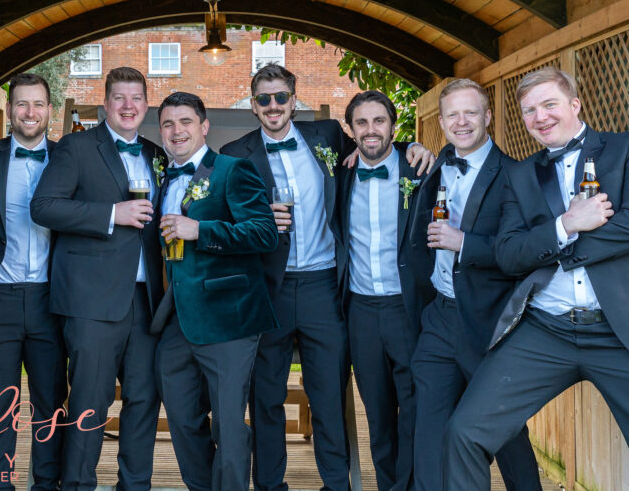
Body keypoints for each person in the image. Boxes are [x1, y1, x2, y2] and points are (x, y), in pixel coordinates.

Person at [444, 68, 629, 490]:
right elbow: (509, 255)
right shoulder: (520, 174)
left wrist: (554, 248)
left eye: (549, 104)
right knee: (465, 433)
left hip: (624, 331)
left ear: (574, 105)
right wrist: (566, 225)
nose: (540, 117)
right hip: (544, 331)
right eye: (529, 110)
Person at [221, 64, 432, 491]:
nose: (273, 106)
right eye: (264, 98)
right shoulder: (233, 153)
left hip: (323, 286)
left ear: (294, 100)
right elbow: (220, 218)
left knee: (329, 395)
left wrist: (417, 148)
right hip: (267, 288)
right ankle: (269, 485)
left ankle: (336, 484)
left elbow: (378, 145)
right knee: (266, 395)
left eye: (281, 97)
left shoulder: (328, 138)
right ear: (253, 104)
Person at [30, 66, 166, 491]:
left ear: (146, 105)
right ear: (105, 104)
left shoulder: (157, 153)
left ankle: (134, 485)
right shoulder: (76, 147)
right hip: (91, 303)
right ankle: (76, 485)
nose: (128, 106)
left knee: (144, 401)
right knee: (90, 404)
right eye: (120, 98)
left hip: (147, 303)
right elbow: (44, 207)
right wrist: (112, 214)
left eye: (136, 98)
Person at [405, 78, 540, 491]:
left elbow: (524, 251)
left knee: (505, 430)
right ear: (441, 122)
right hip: (440, 316)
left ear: (488, 116)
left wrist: (464, 243)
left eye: (470, 112)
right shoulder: (433, 166)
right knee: (429, 429)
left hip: (490, 321)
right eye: (452, 115)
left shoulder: (517, 175)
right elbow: (376, 148)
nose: (461, 122)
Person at [150, 91, 279, 491]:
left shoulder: (231, 170)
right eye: (168, 123)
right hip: (176, 319)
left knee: (228, 422)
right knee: (183, 418)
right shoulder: (157, 176)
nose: (177, 130)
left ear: (204, 127)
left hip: (229, 316)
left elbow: (264, 232)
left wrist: (200, 230)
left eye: (186, 121)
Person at [336, 90, 434, 491]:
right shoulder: (339, 174)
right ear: (351, 130)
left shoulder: (422, 172)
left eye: (379, 121)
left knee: (413, 406)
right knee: (376, 411)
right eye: (362, 122)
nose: (371, 130)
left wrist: (418, 148)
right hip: (360, 309)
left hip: (407, 307)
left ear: (394, 126)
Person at [0, 73, 66, 491]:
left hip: (53, 298)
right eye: (22, 104)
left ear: (50, 110)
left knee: (51, 401)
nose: (30, 113)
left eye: (38, 105)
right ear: (9, 110)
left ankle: (46, 483)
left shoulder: (70, 158)